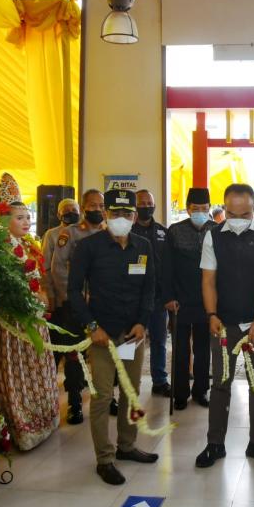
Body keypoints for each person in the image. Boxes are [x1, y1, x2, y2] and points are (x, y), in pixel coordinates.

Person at [68, 189, 159, 485]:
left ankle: (127, 445)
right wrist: (92, 326)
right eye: (115, 213)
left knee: (132, 393)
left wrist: (143, 323)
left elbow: (149, 289)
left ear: (135, 215)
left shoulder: (143, 246)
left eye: (127, 214)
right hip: (102, 336)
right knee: (102, 397)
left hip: (132, 334)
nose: (122, 219)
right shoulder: (88, 247)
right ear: (106, 214)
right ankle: (104, 458)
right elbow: (73, 291)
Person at [195, 184, 254, 468]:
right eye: (231, 213)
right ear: (224, 209)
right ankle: (215, 444)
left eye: (243, 213)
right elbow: (208, 279)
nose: (237, 219)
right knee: (220, 384)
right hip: (223, 324)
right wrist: (211, 314)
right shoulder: (213, 235)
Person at [0, 173, 59, 450]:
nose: (26, 222)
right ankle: (18, 426)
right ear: (3, 219)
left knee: (36, 368)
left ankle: (42, 420)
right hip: (10, 325)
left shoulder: (28, 245)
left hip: (32, 321)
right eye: (20, 217)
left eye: (28, 217)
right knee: (15, 375)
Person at [46, 189, 110, 422]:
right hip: (76, 305)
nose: (97, 210)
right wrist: (71, 298)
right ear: (84, 208)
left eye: (101, 205)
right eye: (92, 206)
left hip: (103, 305)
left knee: (105, 352)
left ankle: (108, 395)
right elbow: (58, 269)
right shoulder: (69, 233)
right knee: (74, 354)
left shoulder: (109, 232)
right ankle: (74, 401)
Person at [164, 188, 218, 410]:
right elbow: (166, 265)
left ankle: (201, 390)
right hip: (179, 301)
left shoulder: (217, 230)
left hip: (207, 301)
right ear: (187, 209)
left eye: (204, 209)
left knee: (204, 349)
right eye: (196, 209)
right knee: (180, 349)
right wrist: (168, 296)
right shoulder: (175, 231)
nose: (200, 213)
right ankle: (180, 393)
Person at [132, 189, 171, 397]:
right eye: (142, 203)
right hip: (134, 299)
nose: (146, 206)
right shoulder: (128, 231)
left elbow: (169, 266)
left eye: (150, 202)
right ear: (135, 206)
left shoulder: (164, 232)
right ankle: (129, 382)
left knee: (159, 341)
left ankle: (160, 380)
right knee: (132, 341)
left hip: (158, 299)